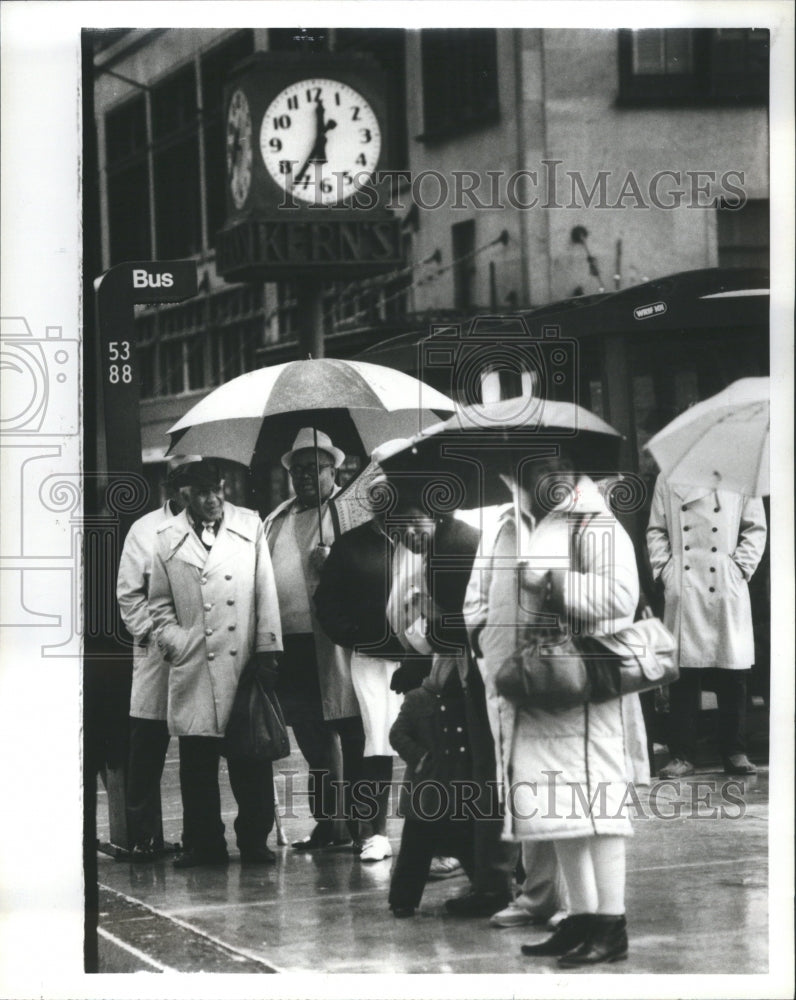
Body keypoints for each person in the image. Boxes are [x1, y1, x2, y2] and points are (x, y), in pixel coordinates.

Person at [472, 453, 648, 966]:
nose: (542, 476)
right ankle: (582, 919)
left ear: (574, 466)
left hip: (584, 686)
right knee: (559, 808)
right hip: (537, 686)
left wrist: (552, 581)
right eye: (532, 466)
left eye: (554, 465)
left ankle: (609, 924)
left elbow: (622, 595)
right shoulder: (520, 524)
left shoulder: (596, 522)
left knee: (599, 804)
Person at [149, 460, 282, 868]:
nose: (212, 499)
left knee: (250, 759)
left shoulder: (250, 525)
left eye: (217, 489)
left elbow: (266, 590)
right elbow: (158, 602)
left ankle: (255, 842)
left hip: (242, 662)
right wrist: (175, 641)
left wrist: (267, 649)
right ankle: (204, 845)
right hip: (194, 666)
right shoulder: (166, 538)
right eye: (201, 492)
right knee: (197, 765)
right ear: (183, 496)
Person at [264, 429, 362, 851]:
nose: (304, 477)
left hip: (338, 644)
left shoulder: (352, 511)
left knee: (352, 735)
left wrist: (338, 561)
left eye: (314, 469)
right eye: (297, 470)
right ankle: (328, 824)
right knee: (313, 741)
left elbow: (378, 564)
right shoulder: (276, 518)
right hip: (293, 646)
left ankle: (360, 825)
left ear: (333, 470)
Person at [646, 475, 767, 777]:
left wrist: (740, 568)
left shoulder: (739, 472)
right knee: (683, 674)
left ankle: (734, 751)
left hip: (725, 581)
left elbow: (756, 528)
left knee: (732, 670)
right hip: (684, 582)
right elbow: (656, 529)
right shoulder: (669, 475)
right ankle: (683, 755)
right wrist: (665, 570)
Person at [115, 458, 187, 858]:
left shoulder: (217, 526)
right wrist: (157, 635)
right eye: (183, 482)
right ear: (171, 488)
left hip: (201, 649)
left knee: (200, 746)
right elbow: (129, 593)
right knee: (147, 745)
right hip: (157, 651)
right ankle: (143, 835)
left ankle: (199, 831)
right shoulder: (143, 530)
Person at [387, 654, 476, 917]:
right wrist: (420, 757)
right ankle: (403, 899)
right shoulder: (417, 699)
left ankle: (484, 888)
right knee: (416, 850)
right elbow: (397, 735)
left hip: (453, 789)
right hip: (426, 790)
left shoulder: (461, 702)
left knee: (464, 842)